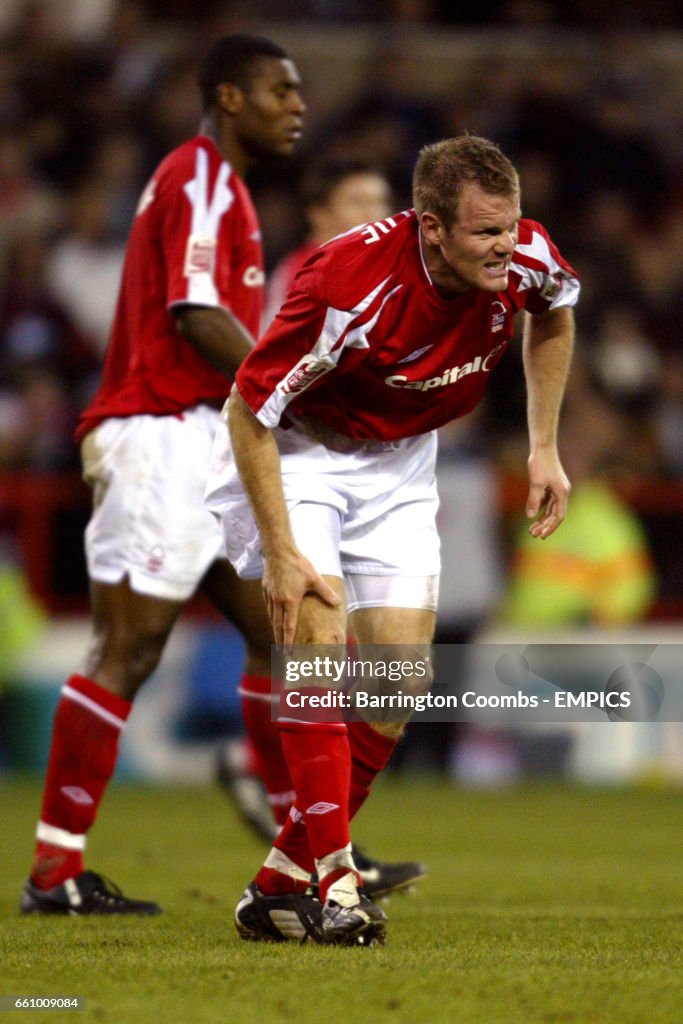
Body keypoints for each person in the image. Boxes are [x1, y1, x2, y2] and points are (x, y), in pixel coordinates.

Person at [205, 133, 579, 945]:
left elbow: (553, 312)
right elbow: (248, 408)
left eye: (510, 226)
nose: (505, 247)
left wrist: (542, 444)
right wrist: (280, 550)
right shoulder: (348, 283)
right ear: (431, 227)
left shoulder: (525, 254)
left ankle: (278, 882)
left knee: (397, 685)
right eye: (485, 233)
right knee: (314, 634)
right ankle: (336, 882)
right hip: (303, 454)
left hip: (404, 462)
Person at [19, 32, 308, 917]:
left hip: (205, 439)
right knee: (127, 649)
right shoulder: (203, 180)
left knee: (277, 631)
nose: (296, 106)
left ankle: (304, 856)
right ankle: (54, 874)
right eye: (277, 91)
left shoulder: (220, 188)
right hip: (160, 436)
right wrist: (288, 381)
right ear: (228, 97)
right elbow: (193, 312)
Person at [215, 155, 426, 895]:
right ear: (317, 214)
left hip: (361, 471)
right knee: (301, 647)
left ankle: (299, 839)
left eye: (381, 196)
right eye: (357, 195)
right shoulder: (309, 275)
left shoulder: (401, 269)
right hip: (278, 458)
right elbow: (265, 385)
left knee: (369, 670)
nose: (375, 208)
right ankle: (309, 841)